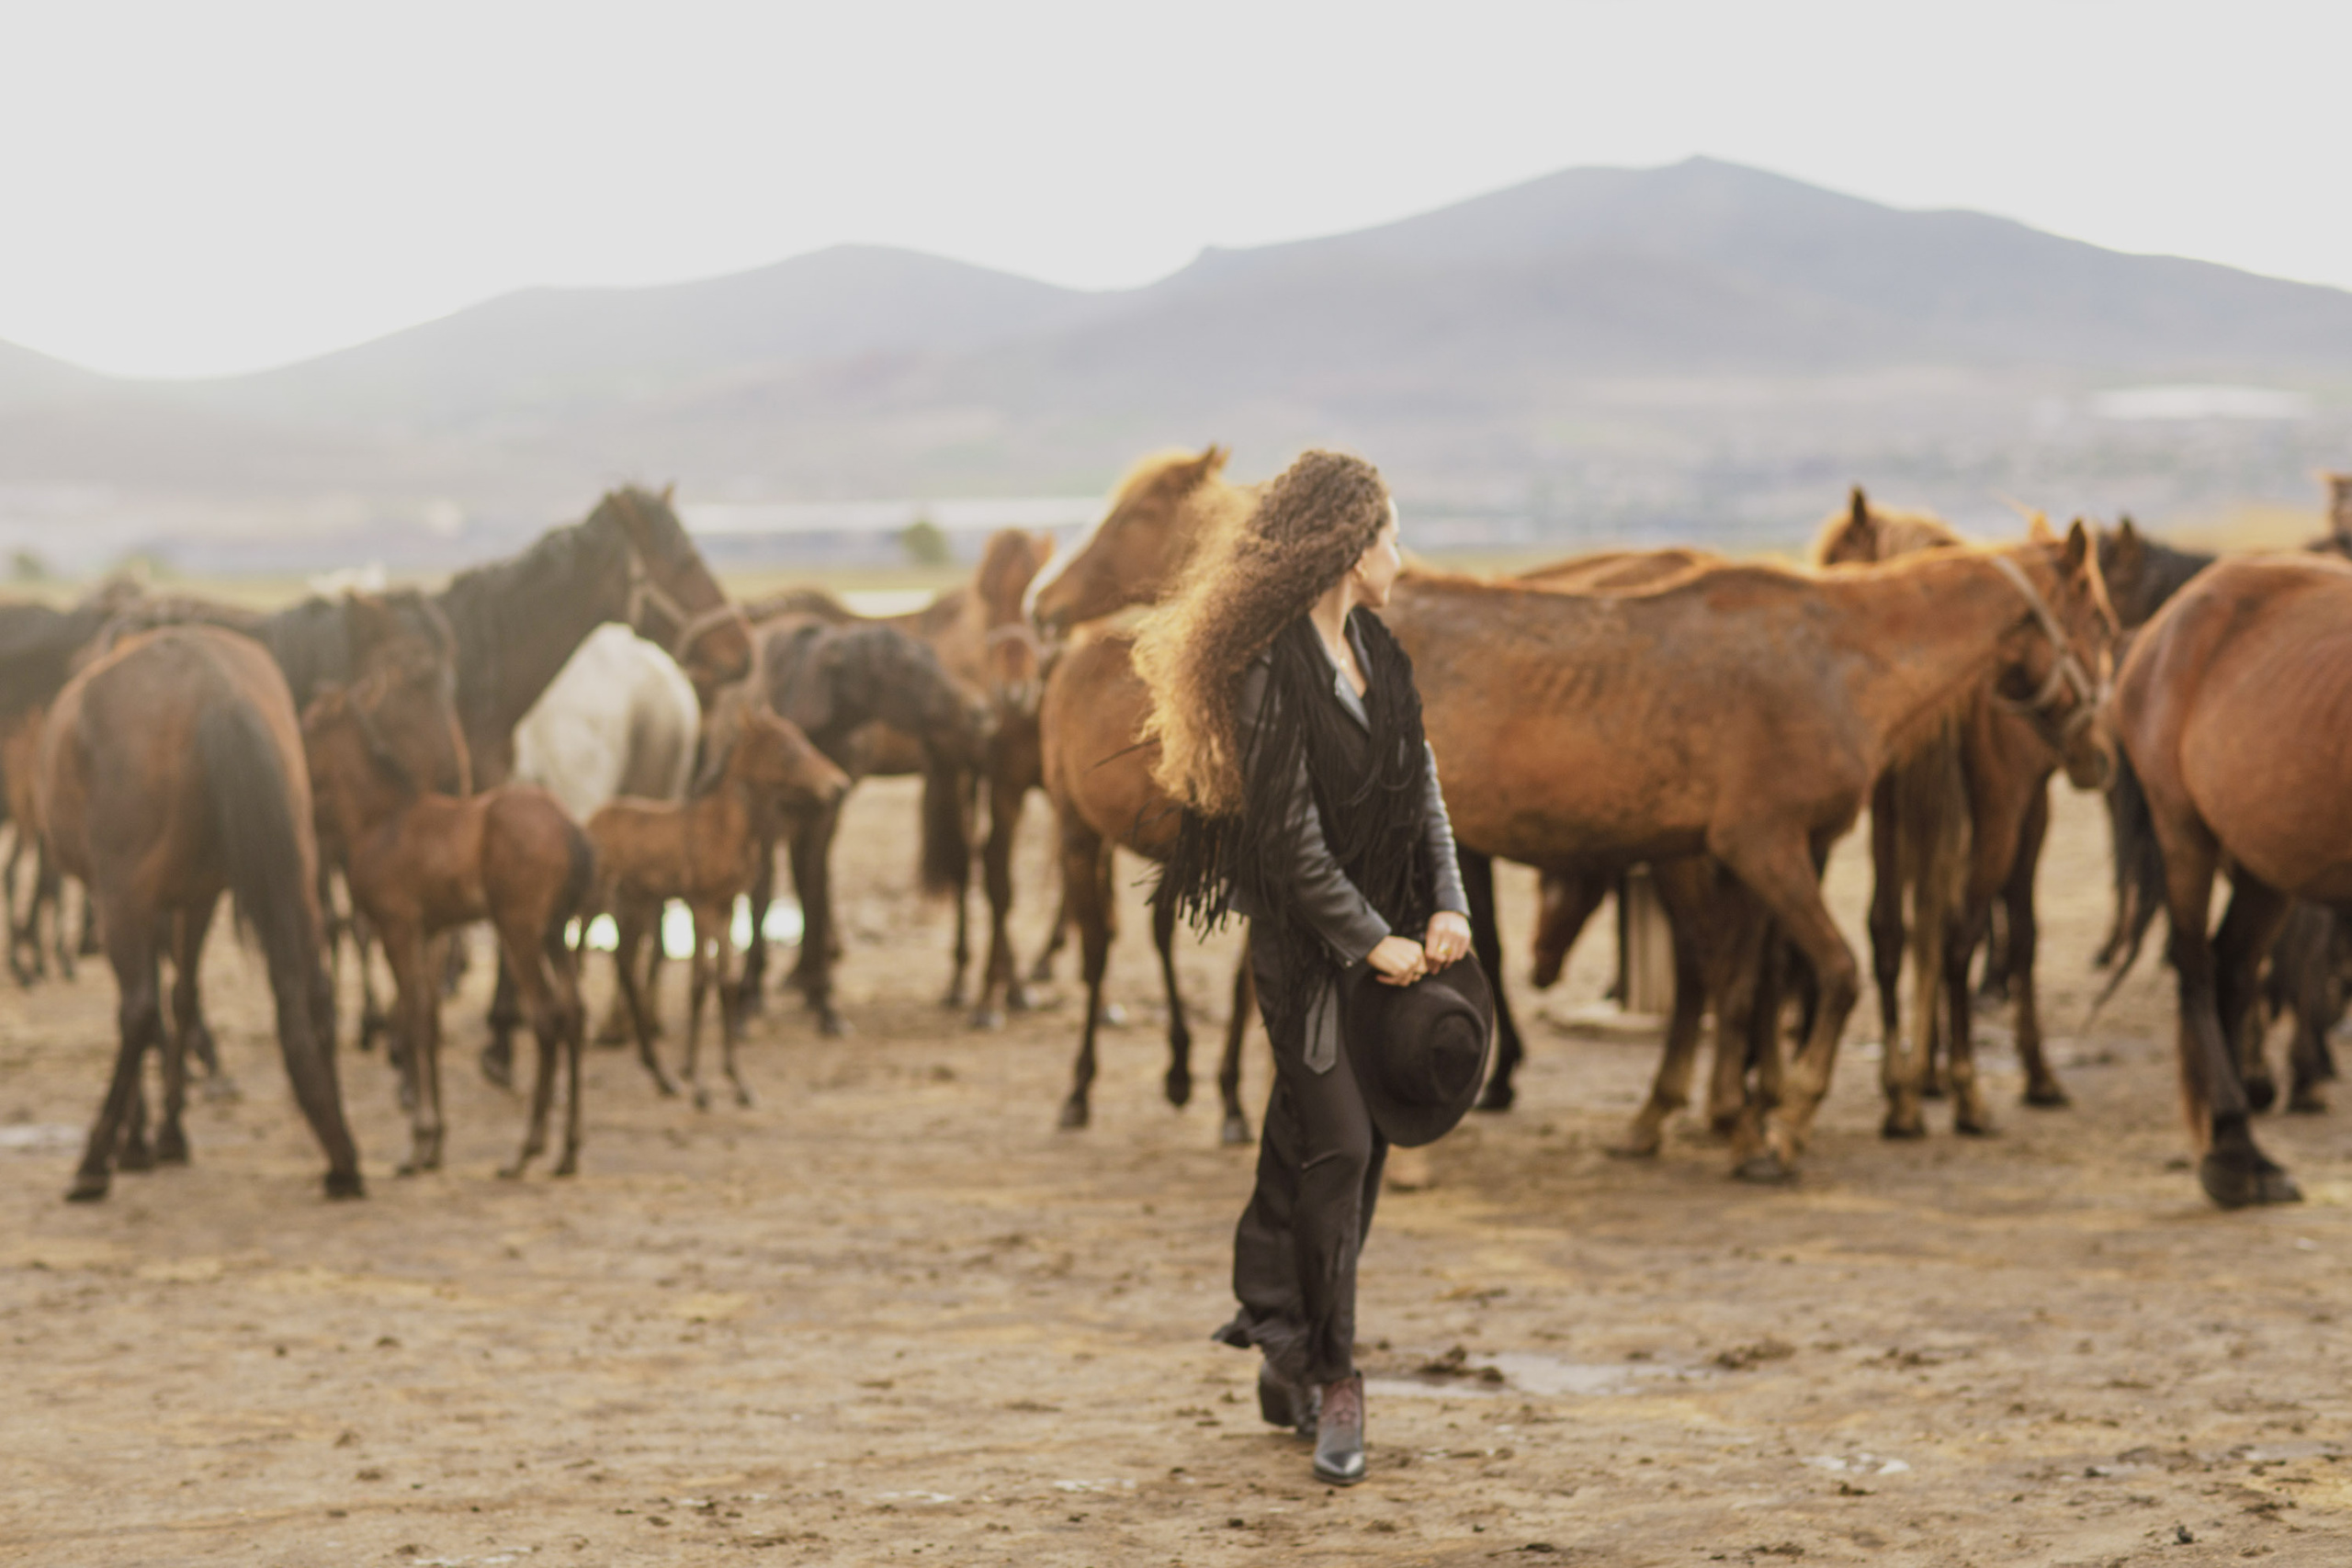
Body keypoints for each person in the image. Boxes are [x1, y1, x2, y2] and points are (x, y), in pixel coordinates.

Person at [1136, 448, 1485, 1487]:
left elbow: (1423, 792)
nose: (1398, 555)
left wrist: (1447, 903)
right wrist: (1367, 934)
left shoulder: (1379, 649)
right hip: (1310, 957)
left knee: (1337, 1151)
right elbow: (1288, 844)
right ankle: (1334, 1378)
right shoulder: (1269, 673)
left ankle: (1282, 1342)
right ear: (1345, 548)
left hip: (1395, 950)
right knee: (1335, 1145)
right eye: (1386, 536)